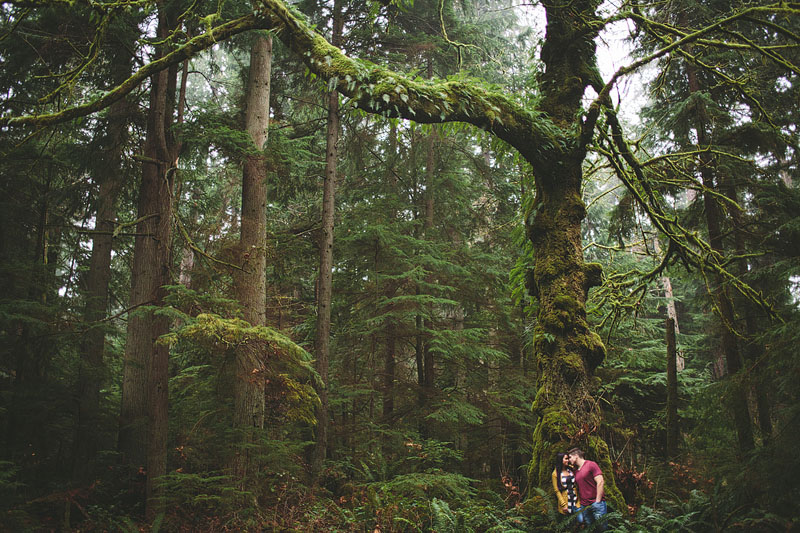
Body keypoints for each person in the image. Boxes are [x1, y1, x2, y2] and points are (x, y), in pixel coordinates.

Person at [567, 447, 608, 531]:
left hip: (596, 504)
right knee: (591, 530)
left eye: (570, 457)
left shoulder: (591, 464)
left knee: (602, 529)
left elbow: (600, 482)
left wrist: (598, 501)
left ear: (576, 456)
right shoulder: (576, 471)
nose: (569, 460)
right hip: (584, 506)